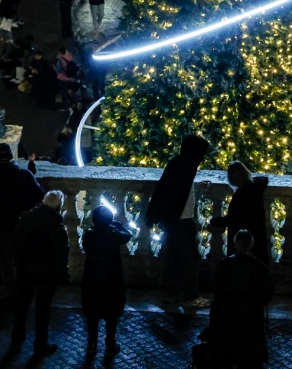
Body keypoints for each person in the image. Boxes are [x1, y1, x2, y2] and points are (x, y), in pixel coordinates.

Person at [192, 229, 274, 369]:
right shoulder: (259, 267)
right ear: (252, 244)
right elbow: (267, 293)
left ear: (235, 243)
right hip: (250, 313)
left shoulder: (225, 264)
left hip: (226, 312)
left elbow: (215, 286)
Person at [145, 134, 210, 308]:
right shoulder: (186, 167)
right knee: (189, 259)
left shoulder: (178, 164)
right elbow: (177, 193)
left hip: (173, 219)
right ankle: (191, 295)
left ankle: (172, 292)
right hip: (182, 219)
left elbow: (172, 190)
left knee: (174, 257)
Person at [9, 190, 69, 359]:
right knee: (43, 311)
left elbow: (16, 241)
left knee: (21, 309)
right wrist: (63, 275)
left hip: (25, 270)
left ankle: (16, 343)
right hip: (46, 274)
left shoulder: (27, 218)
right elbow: (61, 254)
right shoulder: (57, 227)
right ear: (59, 206)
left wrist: (18, 263)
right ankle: (40, 345)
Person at [81, 205, 131, 360]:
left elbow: (86, 246)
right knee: (111, 313)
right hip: (111, 278)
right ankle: (110, 345)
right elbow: (127, 236)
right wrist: (116, 226)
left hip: (92, 277)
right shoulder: (114, 233)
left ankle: (92, 345)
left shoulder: (89, 234)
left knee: (92, 313)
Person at [0, 143, 44, 300]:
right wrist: (31, 172)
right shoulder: (24, 175)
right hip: (20, 224)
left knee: (6, 262)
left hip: (2, 226)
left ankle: (11, 291)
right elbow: (40, 196)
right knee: (21, 259)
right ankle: (22, 291)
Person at [209, 162, 269, 266]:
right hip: (256, 237)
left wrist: (214, 221)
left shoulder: (241, 195)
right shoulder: (255, 188)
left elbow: (234, 218)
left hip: (242, 240)